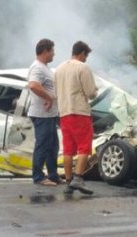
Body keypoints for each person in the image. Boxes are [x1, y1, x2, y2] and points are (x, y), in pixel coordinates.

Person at [54, 40, 97, 195]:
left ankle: (68, 180)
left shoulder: (58, 69)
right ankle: (78, 179)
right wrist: (95, 90)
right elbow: (91, 92)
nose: (86, 59)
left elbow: (56, 93)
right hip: (80, 112)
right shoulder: (82, 67)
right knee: (84, 147)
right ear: (82, 53)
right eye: (86, 56)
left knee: (68, 149)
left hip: (64, 113)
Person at [28, 38, 61, 187]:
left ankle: (53, 175)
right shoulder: (37, 68)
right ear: (45, 51)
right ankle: (38, 176)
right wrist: (48, 97)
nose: (54, 54)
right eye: (52, 50)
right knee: (42, 145)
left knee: (53, 146)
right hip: (42, 114)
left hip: (50, 115)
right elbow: (33, 85)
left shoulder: (45, 67)